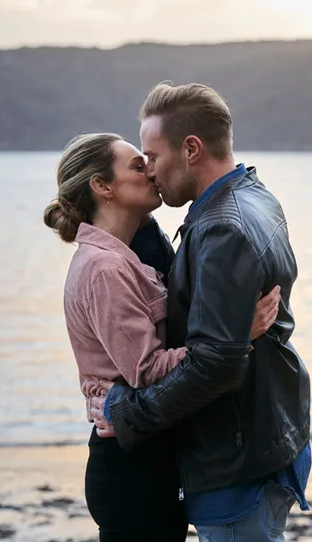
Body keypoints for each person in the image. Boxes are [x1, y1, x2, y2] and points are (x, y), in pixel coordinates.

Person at [90, 82, 312, 541]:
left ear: (191, 149)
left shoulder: (221, 229)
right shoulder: (253, 196)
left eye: (152, 156)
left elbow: (215, 365)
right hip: (263, 433)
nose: (149, 171)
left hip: (235, 459)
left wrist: (126, 412)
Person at [43, 132, 281, 542]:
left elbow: (179, 318)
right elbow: (148, 370)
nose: (151, 171)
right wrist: (236, 335)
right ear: (103, 186)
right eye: (137, 166)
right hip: (129, 467)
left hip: (150, 451)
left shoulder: (136, 250)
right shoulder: (105, 269)